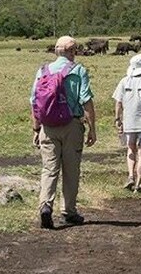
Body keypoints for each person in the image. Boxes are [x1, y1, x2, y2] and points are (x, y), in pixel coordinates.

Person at [30, 35, 97, 229]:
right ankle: (69, 211)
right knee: (71, 170)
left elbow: (34, 101)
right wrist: (92, 128)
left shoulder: (43, 70)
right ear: (72, 51)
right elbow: (86, 100)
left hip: (48, 127)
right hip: (72, 125)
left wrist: (36, 128)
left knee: (49, 169)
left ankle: (45, 206)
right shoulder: (78, 70)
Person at [111, 53, 141, 193]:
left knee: (130, 149)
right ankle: (138, 184)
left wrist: (118, 119)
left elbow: (118, 102)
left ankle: (130, 175)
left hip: (129, 120)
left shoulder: (124, 81)